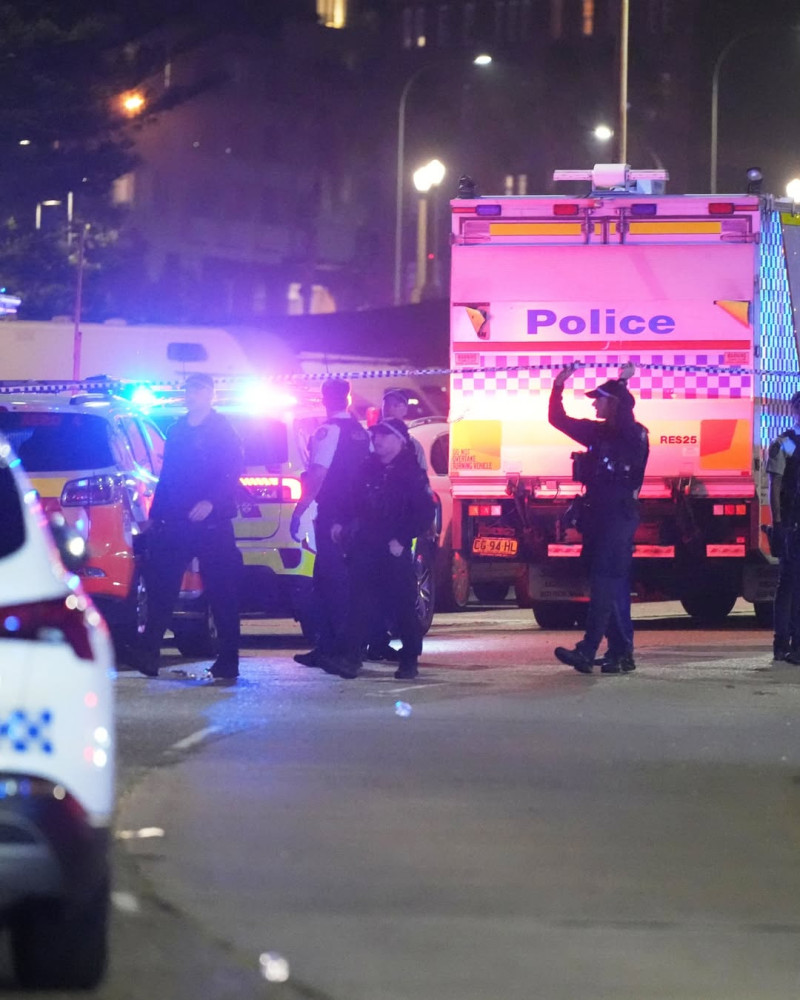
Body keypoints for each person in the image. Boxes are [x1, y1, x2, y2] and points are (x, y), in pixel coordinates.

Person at [131, 372, 244, 683]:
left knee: (222, 591)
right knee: (162, 587)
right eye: (187, 389)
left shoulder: (222, 430)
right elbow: (168, 476)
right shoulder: (177, 429)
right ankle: (149, 654)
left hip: (213, 523)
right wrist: (156, 514)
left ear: (210, 393)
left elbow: (232, 471)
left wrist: (211, 502)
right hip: (177, 521)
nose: (190, 394)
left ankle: (229, 660)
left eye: (197, 389)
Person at [548, 362, 649, 674]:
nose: (593, 404)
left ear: (614, 404)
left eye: (599, 399)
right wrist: (558, 385)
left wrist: (621, 384)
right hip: (599, 518)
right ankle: (621, 653)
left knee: (605, 585)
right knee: (608, 586)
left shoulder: (633, 436)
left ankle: (588, 649)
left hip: (617, 519)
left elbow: (624, 425)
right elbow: (557, 418)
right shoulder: (599, 431)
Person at [330, 418, 435, 680]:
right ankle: (351, 659)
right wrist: (340, 523)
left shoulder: (411, 474)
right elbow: (349, 500)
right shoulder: (366, 469)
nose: (377, 440)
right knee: (359, 603)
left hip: (393, 549)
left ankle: (409, 660)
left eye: (384, 436)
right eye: (375, 436)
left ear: (400, 441)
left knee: (401, 605)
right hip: (365, 545)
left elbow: (424, 512)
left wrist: (401, 538)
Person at [291, 378, 370, 669]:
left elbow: (318, 474)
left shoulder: (328, 431)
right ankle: (335, 647)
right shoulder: (361, 433)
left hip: (333, 515)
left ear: (326, 400)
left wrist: (299, 510)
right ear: (347, 399)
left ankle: (336, 649)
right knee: (345, 583)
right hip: (358, 517)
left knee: (328, 582)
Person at [766, 390, 800, 662]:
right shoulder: (785, 443)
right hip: (791, 523)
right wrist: (777, 523)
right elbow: (774, 485)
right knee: (789, 583)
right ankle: (782, 643)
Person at [381, 388, 427, 472]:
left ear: (405, 410)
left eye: (395, 405)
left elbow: (422, 473)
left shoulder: (412, 444)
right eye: (386, 405)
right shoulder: (373, 438)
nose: (390, 409)